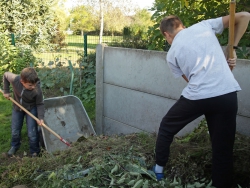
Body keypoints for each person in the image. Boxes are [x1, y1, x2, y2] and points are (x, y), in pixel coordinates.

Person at [152, 12, 250, 188]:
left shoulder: (171, 53)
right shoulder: (204, 26)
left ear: (167, 34)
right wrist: (232, 49)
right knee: (222, 150)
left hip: (198, 97)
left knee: (167, 127)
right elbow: (244, 16)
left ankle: (158, 169)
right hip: (227, 94)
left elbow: (192, 81)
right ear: (181, 25)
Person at [3, 67, 45, 157]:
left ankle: (35, 151)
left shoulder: (37, 90)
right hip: (17, 108)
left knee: (32, 133)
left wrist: (40, 117)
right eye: (30, 85)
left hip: (31, 109)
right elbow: (6, 74)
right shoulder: (15, 79)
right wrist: (6, 91)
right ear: (22, 82)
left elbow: (40, 104)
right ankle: (15, 145)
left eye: (34, 84)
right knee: (15, 130)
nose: (33, 87)